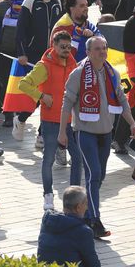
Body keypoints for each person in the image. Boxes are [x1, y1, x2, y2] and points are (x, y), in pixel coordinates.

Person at [58, 35, 135, 238]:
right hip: (85, 133)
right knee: (93, 174)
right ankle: (95, 220)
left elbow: (122, 98)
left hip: (105, 133)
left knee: (98, 177)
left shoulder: (112, 73)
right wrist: (61, 133)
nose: (102, 52)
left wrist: (132, 123)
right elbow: (66, 103)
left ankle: (83, 213)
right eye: (98, 49)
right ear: (89, 52)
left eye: (105, 48)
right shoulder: (79, 74)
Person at [19, 28, 82, 210]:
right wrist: (41, 96)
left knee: (77, 158)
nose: (66, 50)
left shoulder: (73, 64)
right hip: (51, 120)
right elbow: (24, 84)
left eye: (69, 47)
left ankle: (74, 195)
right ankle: (48, 195)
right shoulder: (44, 65)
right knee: (48, 160)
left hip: (70, 121)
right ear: (53, 46)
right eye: (62, 47)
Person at [37, 185, 101, 267]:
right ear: (78, 207)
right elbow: (93, 263)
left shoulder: (48, 220)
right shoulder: (84, 231)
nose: (87, 208)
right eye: (86, 204)